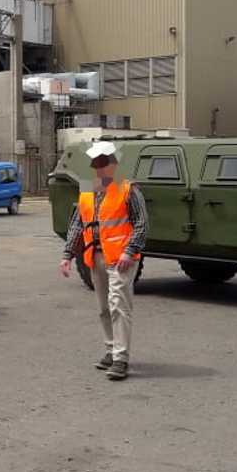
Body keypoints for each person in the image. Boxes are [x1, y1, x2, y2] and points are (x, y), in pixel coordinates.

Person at [58, 141, 148, 381]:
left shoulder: (128, 189)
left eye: (104, 163)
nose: (100, 169)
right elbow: (78, 223)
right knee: (104, 308)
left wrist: (130, 252)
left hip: (121, 258)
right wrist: (67, 255)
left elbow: (141, 224)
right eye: (96, 164)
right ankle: (110, 349)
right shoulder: (87, 188)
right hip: (95, 255)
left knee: (119, 304)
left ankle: (121, 358)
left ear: (114, 164)